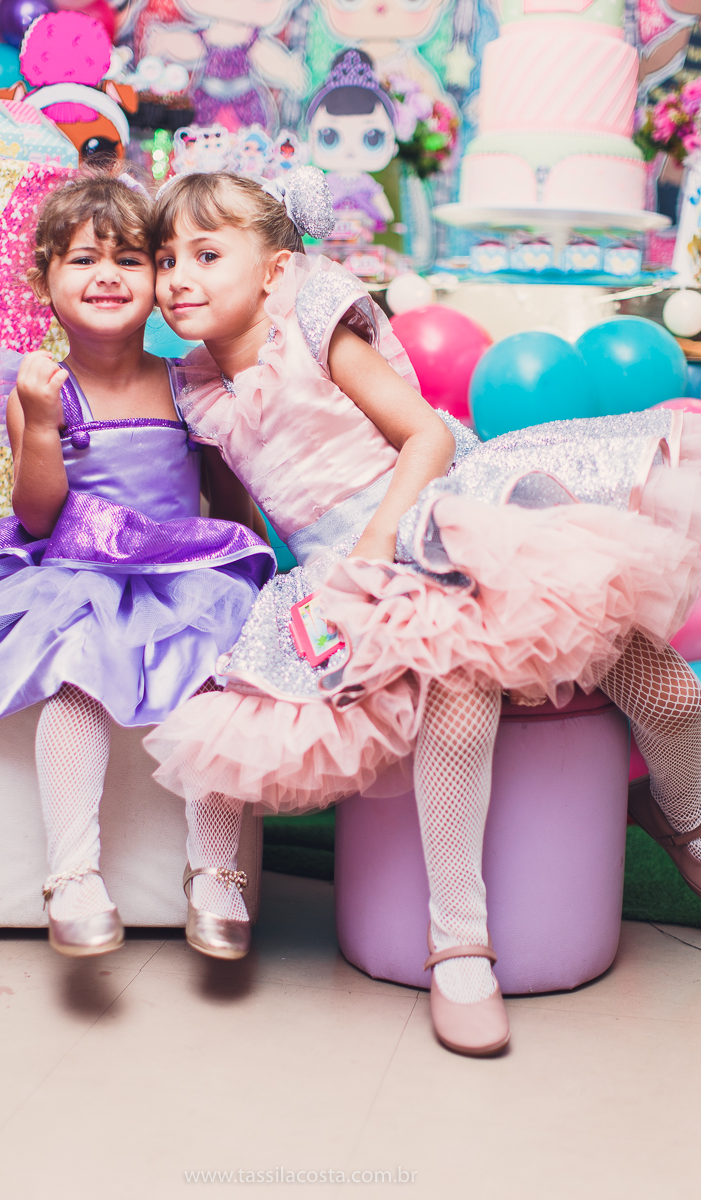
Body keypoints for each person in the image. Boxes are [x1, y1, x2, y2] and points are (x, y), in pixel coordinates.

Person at [143, 165, 701, 1057]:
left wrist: (380, 546)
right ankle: (453, 937)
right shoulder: (197, 390)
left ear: (278, 269)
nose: (178, 277)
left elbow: (428, 435)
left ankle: (685, 816)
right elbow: (241, 509)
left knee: (664, 687)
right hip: (345, 565)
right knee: (443, 693)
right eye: (166, 258)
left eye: (207, 254)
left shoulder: (316, 324)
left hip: (441, 512)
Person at [0, 170, 274, 958]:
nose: (106, 275)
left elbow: (227, 498)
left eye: (130, 259)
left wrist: (247, 585)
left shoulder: (188, 383)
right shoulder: (45, 388)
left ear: (160, 278)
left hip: (179, 570)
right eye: (81, 259)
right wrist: (38, 421)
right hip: (77, 571)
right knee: (77, 666)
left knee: (220, 666)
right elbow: (39, 514)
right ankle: (72, 875)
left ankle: (215, 869)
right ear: (45, 280)